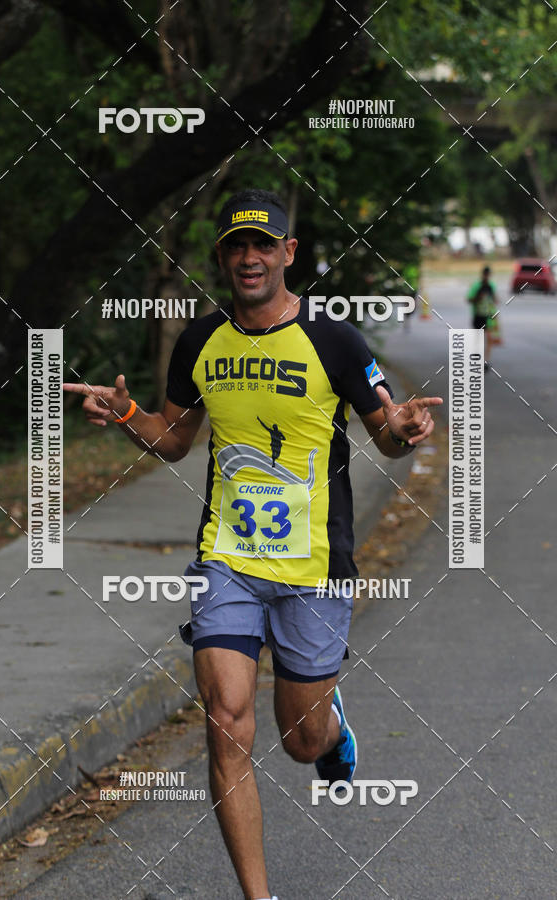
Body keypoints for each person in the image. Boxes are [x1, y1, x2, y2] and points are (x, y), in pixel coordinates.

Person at [64, 189, 442, 900]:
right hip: (227, 558)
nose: (249, 258)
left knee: (300, 740)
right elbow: (177, 441)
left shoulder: (335, 340)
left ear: (288, 254)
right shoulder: (202, 341)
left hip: (314, 564)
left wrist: (406, 429)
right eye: (237, 246)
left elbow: (386, 434)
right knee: (224, 722)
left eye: (263, 245)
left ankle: (330, 730)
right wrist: (127, 415)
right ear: (222, 258)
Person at [467, 265, 499, 370]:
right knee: (478, 338)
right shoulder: (476, 286)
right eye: (485, 274)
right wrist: (478, 298)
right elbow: (469, 299)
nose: (487, 276)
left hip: (488, 316)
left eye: (488, 275)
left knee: (489, 338)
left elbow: (495, 300)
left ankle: (486, 361)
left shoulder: (491, 286)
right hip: (478, 315)